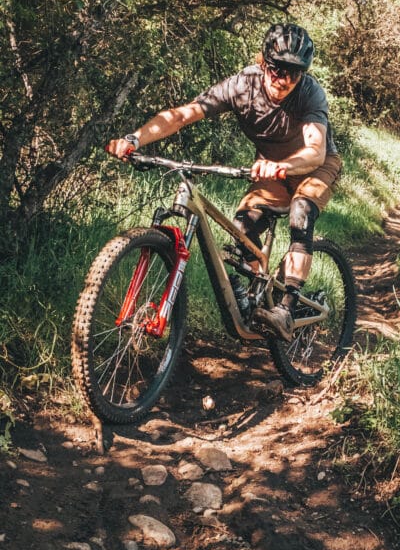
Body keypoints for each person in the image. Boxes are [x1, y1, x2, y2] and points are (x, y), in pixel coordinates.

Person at [106, 23, 341, 341]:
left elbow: (315, 151)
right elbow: (183, 114)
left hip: (314, 168)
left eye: (294, 72)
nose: (284, 79)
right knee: (242, 229)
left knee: (301, 212)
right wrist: (134, 139)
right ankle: (255, 300)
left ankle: (286, 308)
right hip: (271, 171)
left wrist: (280, 165)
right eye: (277, 69)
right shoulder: (243, 85)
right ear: (262, 61)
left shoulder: (309, 93)